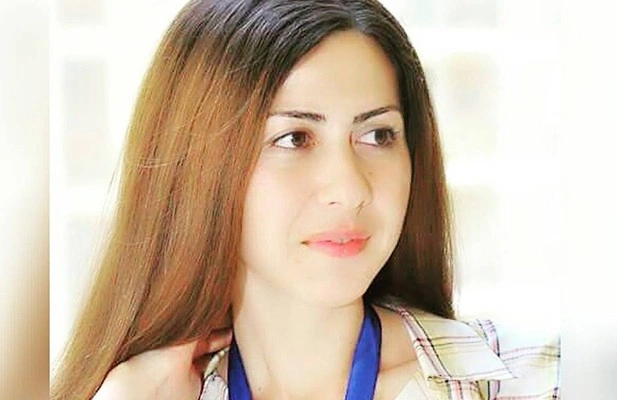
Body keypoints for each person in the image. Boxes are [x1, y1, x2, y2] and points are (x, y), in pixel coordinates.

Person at [51, 0, 560, 399]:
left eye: (378, 135)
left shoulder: (542, 383)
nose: (350, 189)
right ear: (198, 166)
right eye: (294, 138)